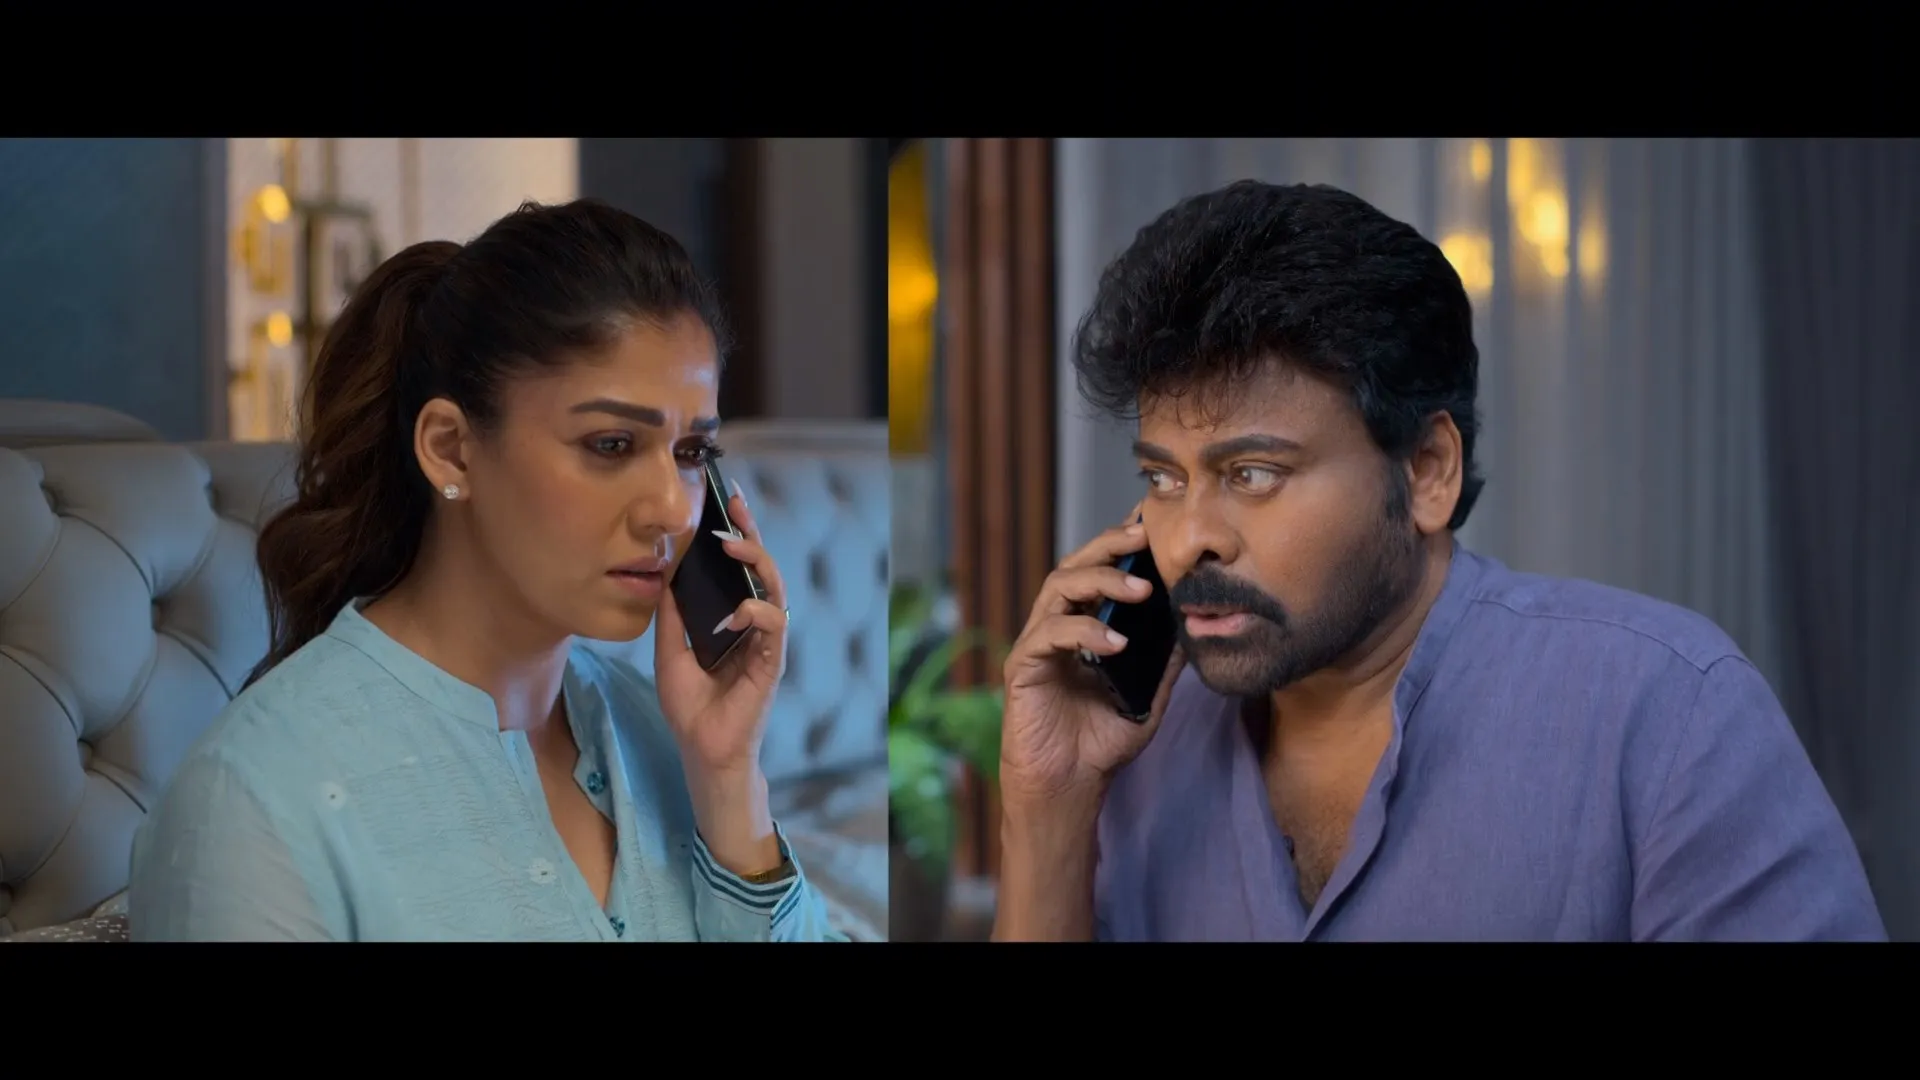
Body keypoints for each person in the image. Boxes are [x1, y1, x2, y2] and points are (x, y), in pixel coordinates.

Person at [992, 180, 1885, 942]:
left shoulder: (1666, 714)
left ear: (1426, 471)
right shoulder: (1141, 748)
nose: (1188, 537)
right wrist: (1050, 807)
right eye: (1163, 478)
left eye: (1252, 473)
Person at [128, 200, 842, 942]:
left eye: (693, 454)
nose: (671, 509)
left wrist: (729, 783)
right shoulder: (252, 805)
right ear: (451, 449)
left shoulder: (671, 739)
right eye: (611, 445)